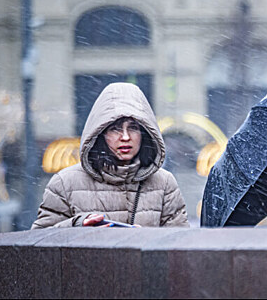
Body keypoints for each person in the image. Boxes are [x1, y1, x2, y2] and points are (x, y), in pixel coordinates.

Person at [32, 82, 189, 228]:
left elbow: (180, 245)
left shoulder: (164, 183)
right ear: (101, 134)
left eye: (133, 128)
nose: (125, 137)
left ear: (144, 133)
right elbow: (39, 244)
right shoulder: (65, 183)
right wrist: (78, 226)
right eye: (116, 129)